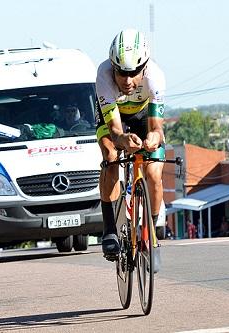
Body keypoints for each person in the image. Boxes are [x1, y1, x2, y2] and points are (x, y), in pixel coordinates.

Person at [95, 29, 166, 271]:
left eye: (133, 74)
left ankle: (151, 236)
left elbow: (157, 128)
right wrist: (123, 139)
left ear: (144, 68)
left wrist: (153, 139)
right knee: (111, 155)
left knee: (154, 172)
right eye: (121, 73)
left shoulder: (156, 77)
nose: (127, 81)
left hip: (142, 116)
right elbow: (114, 131)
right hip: (115, 119)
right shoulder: (103, 77)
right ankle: (109, 231)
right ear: (112, 68)